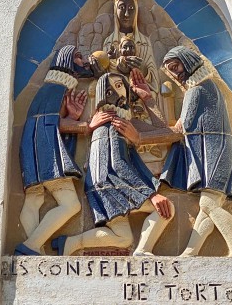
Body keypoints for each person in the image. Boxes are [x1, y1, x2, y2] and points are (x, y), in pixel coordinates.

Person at [124, 46, 232, 257]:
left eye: (176, 67)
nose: (176, 74)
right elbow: (170, 128)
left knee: (208, 204)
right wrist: (148, 99)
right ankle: (190, 253)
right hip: (211, 153)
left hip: (214, 154)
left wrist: (140, 138)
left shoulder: (197, 90)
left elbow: (177, 132)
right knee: (208, 207)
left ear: (188, 61)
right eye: (171, 70)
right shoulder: (203, 87)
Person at [53, 72, 175, 257]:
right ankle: (142, 252)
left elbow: (165, 132)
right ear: (105, 92)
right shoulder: (109, 122)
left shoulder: (124, 121)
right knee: (165, 209)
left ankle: (69, 243)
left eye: (121, 85)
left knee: (123, 238)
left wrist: (147, 99)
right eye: (113, 87)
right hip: (109, 182)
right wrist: (151, 195)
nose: (120, 91)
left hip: (107, 183)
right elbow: (116, 164)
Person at [16, 45, 95, 255]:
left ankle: (35, 252)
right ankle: (30, 247)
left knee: (34, 199)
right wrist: (87, 125)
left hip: (33, 150)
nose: (84, 61)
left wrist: (71, 119)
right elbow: (49, 123)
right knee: (71, 205)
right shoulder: (57, 87)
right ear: (66, 61)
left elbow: (51, 121)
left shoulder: (52, 86)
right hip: (45, 154)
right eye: (78, 57)